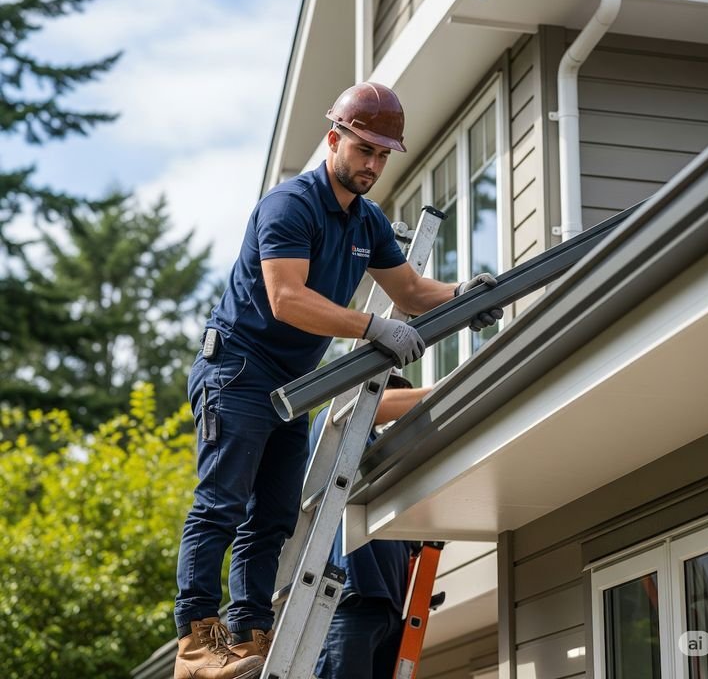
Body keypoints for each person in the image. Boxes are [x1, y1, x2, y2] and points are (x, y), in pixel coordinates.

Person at [172, 82, 503, 679]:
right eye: (363, 150)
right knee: (222, 503)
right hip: (238, 371)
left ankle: (247, 636)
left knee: (272, 517)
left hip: (292, 389)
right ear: (334, 139)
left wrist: (462, 295)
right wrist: (372, 326)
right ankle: (197, 644)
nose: (373, 165)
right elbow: (286, 299)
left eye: (382, 155)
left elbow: (409, 291)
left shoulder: (365, 221)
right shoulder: (291, 206)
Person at [309, 370, 432, 679]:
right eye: (394, 390)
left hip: (390, 608)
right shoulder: (336, 424)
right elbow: (374, 405)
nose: (399, 401)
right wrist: (444, 389)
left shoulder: (383, 450)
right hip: (348, 600)